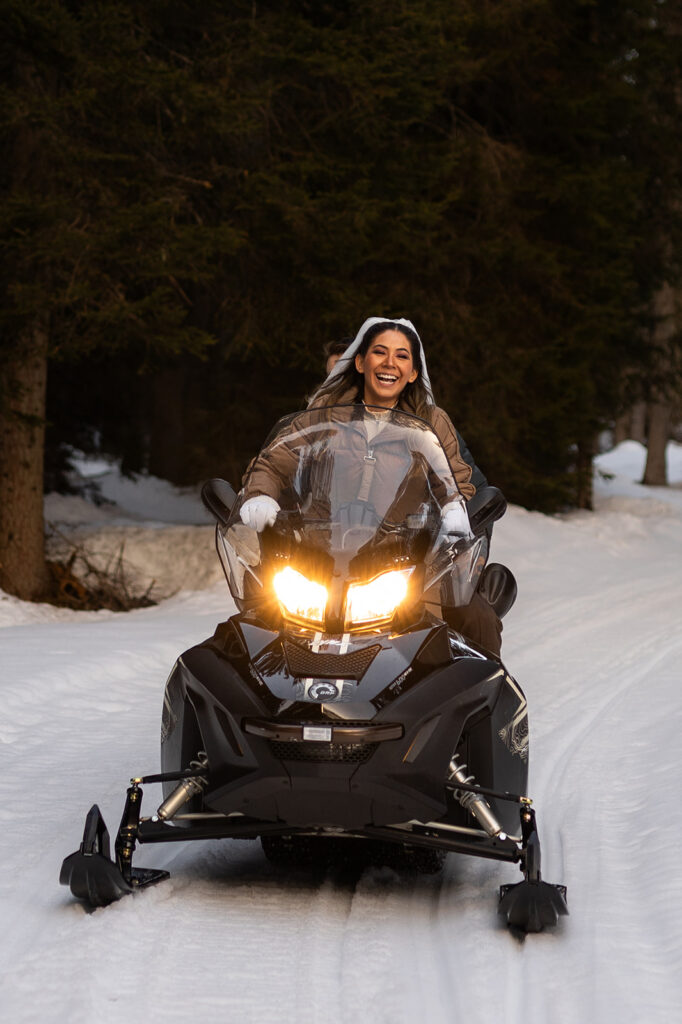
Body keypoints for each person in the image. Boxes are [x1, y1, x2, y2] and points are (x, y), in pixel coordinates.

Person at [240, 317, 502, 654]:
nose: (390, 362)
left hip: (405, 561)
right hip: (321, 558)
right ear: (361, 362)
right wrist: (261, 495)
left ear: (413, 372)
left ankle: (482, 700)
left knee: (475, 618)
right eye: (380, 352)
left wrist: (454, 510)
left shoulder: (433, 422)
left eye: (402, 356)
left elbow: (454, 481)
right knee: (254, 616)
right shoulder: (324, 414)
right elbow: (274, 462)